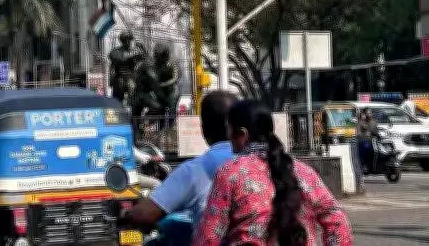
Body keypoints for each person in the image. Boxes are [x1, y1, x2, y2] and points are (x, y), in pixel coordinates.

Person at [193, 100, 352, 246]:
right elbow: (337, 219)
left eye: (229, 130)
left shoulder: (230, 173)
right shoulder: (303, 171)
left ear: (242, 134)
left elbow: (209, 236)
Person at [119, 91, 237, 241]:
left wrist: (125, 215)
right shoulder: (265, 163)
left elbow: (144, 215)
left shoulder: (195, 169)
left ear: (203, 129)